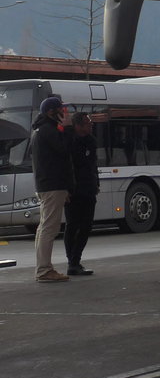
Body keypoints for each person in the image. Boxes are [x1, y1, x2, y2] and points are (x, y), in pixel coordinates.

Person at [31, 95, 74, 283]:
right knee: (49, 227)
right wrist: (69, 128)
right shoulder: (49, 130)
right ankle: (44, 270)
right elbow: (65, 150)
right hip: (52, 184)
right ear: (51, 112)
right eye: (61, 110)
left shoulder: (40, 130)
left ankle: (43, 268)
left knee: (44, 227)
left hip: (46, 184)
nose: (64, 113)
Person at [64, 111, 99, 276]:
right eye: (87, 123)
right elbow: (68, 166)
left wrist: (95, 184)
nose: (91, 125)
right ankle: (73, 261)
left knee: (86, 226)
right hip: (74, 190)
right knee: (72, 225)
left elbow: (92, 165)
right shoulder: (69, 141)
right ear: (77, 126)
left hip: (89, 189)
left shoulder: (91, 141)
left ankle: (74, 260)